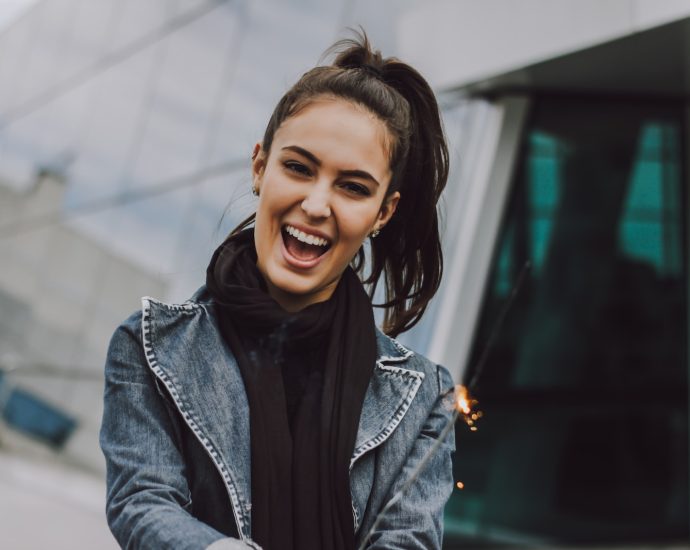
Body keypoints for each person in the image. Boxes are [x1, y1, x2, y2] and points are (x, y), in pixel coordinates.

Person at [100, 31, 455, 550]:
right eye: (298, 168)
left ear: (383, 212)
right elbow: (141, 502)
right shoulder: (151, 350)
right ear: (260, 167)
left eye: (353, 187)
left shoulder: (424, 400)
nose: (316, 204)